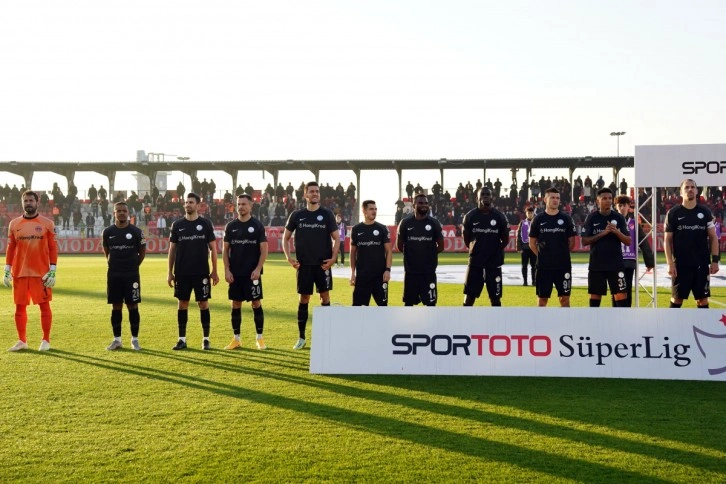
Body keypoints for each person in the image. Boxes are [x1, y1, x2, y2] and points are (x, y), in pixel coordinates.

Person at [283, 182, 339, 350]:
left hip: (323, 265)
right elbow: (285, 238)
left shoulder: (327, 214)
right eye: (312, 191)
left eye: (317, 191)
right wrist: (289, 258)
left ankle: (326, 336)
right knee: (304, 299)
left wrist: (333, 258)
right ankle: (301, 337)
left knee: (325, 298)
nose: (315, 194)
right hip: (304, 266)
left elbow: (337, 238)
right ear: (305, 195)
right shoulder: (297, 215)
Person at [4, 191, 58, 351]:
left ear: (37, 202)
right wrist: (7, 268)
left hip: (41, 273)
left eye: (31, 200)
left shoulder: (47, 223)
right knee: (19, 307)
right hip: (19, 272)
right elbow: (11, 248)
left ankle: (46, 340)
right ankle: (22, 341)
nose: (28, 203)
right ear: (22, 203)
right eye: (26, 201)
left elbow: (52, 248)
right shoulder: (14, 224)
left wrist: (53, 269)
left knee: (44, 306)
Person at [167, 193, 219, 350]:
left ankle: (206, 340)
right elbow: (172, 250)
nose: (188, 205)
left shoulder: (205, 224)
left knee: (203, 304)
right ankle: (181, 340)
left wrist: (214, 271)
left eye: (191, 202)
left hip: (201, 272)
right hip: (182, 272)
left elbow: (213, 249)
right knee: (182, 304)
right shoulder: (177, 225)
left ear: (198, 205)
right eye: (186, 202)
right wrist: (169, 272)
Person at [664, 179, 720, 308]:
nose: (690, 189)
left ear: (697, 191)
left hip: (701, 264)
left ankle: (703, 323)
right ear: (681, 192)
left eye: (692, 187)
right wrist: (670, 263)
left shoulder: (705, 212)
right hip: (680, 265)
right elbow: (667, 240)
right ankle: (671, 322)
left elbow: (713, 237)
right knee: (677, 300)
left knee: (702, 301)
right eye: (686, 187)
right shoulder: (673, 213)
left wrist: (715, 260)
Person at [222, 194, 268, 350]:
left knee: (256, 303)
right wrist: (227, 270)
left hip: (252, 274)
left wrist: (258, 269)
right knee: (235, 304)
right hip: (235, 273)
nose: (241, 207)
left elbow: (264, 250)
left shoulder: (257, 225)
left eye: (244, 204)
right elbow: (225, 250)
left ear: (251, 206)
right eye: (239, 204)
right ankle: (236, 339)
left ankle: (260, 338)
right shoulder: (230, 226)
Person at [102, 202, 146, 350]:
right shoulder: (108, 232)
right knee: (116, 306)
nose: (121, 213)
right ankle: (117, 340)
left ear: (128, 213)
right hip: (114, 274)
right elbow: (107, 251)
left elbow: (142, 253)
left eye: (124, 211)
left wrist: (133, 266)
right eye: (118, 211)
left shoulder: (136, 232)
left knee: (133, 305)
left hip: (131, 275)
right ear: (114, 213)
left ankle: (135, 340)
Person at [582, 188, 631, 307]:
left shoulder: (619, 218)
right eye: (604, 198)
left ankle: (621, 319)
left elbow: (628, 241)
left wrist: (616, 231)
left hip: (616, 264)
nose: (608, 201)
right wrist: (603, 233)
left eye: (610, 198)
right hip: (596, 265)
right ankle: (594, 320)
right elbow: (584, 241)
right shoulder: (591, 217)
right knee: (595, 298)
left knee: (621, 296)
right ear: (597, 201)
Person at [461, 188, 509, 306]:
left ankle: (496, 319)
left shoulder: (499, 217)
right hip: (475, 263)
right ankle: (464, 318)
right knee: (469, 298)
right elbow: (467, 240)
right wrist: (477, 250)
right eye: (482, 194)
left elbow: (505, 240)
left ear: (492, 198)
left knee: (495, 299)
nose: (485, 196)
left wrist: (494, 251)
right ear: (477, 198)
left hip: (494, 263)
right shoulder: (470, 216)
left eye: (488, 194)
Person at [528, 188, 576, 307]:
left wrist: (561, 254)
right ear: (545, 199)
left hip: (563, 266)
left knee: (564, 299)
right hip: (544, 267)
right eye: (552, 197)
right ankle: (540, 320)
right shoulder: (538, 219)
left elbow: (572, 243)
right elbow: (532, 243)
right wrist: (542, 256)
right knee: (542, 299)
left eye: (557, 198)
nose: (555, 200)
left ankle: (566, 320)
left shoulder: (566, 219)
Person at [396, 193, 444, 306]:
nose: (424, 205)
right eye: (420, 203)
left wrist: (428, 255)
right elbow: (399, 246)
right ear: (414, 205)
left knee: (431, 305)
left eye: (426, 203)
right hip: (411, 273)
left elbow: (441, 246)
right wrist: (412, 255)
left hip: (429, 272)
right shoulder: (405, 223)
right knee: (408, 305)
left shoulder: (434, 223)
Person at [613, 195, 655, 307]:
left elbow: (643, 241)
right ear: (616, 207)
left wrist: (649, 262)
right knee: (616, 290)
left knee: (626, 289)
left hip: (629, 260)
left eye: (624, 205)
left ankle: (627, 312)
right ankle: (615, 313)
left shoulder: (634, 223)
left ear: (629, 206)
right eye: (620, 205)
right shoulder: (612, 223)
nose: (622, 208)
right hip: (615, 261)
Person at [349, 200, 393, 306]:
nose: (374, 211)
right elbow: (352, 252)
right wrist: (353, 273)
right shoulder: (356, 229)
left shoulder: (382, 229)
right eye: (371, 209)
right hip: (362, 276)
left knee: (383, 307)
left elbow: (389, 251)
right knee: (358, 309)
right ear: (364, 211)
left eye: (375, 209)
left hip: (380, 276)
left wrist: (387, 270)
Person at [516, 206, 536, 286]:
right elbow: (518, 235)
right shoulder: (522, 223)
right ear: (526, 213)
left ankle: (534, 281)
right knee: (524, 266)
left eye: (531, 213)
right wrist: (519, 247)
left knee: (534, 266)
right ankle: (525, 281)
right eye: (528, 213)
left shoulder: (536, 222)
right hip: (525, 248)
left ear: (533, 213)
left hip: (534, 248)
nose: (530, 214)